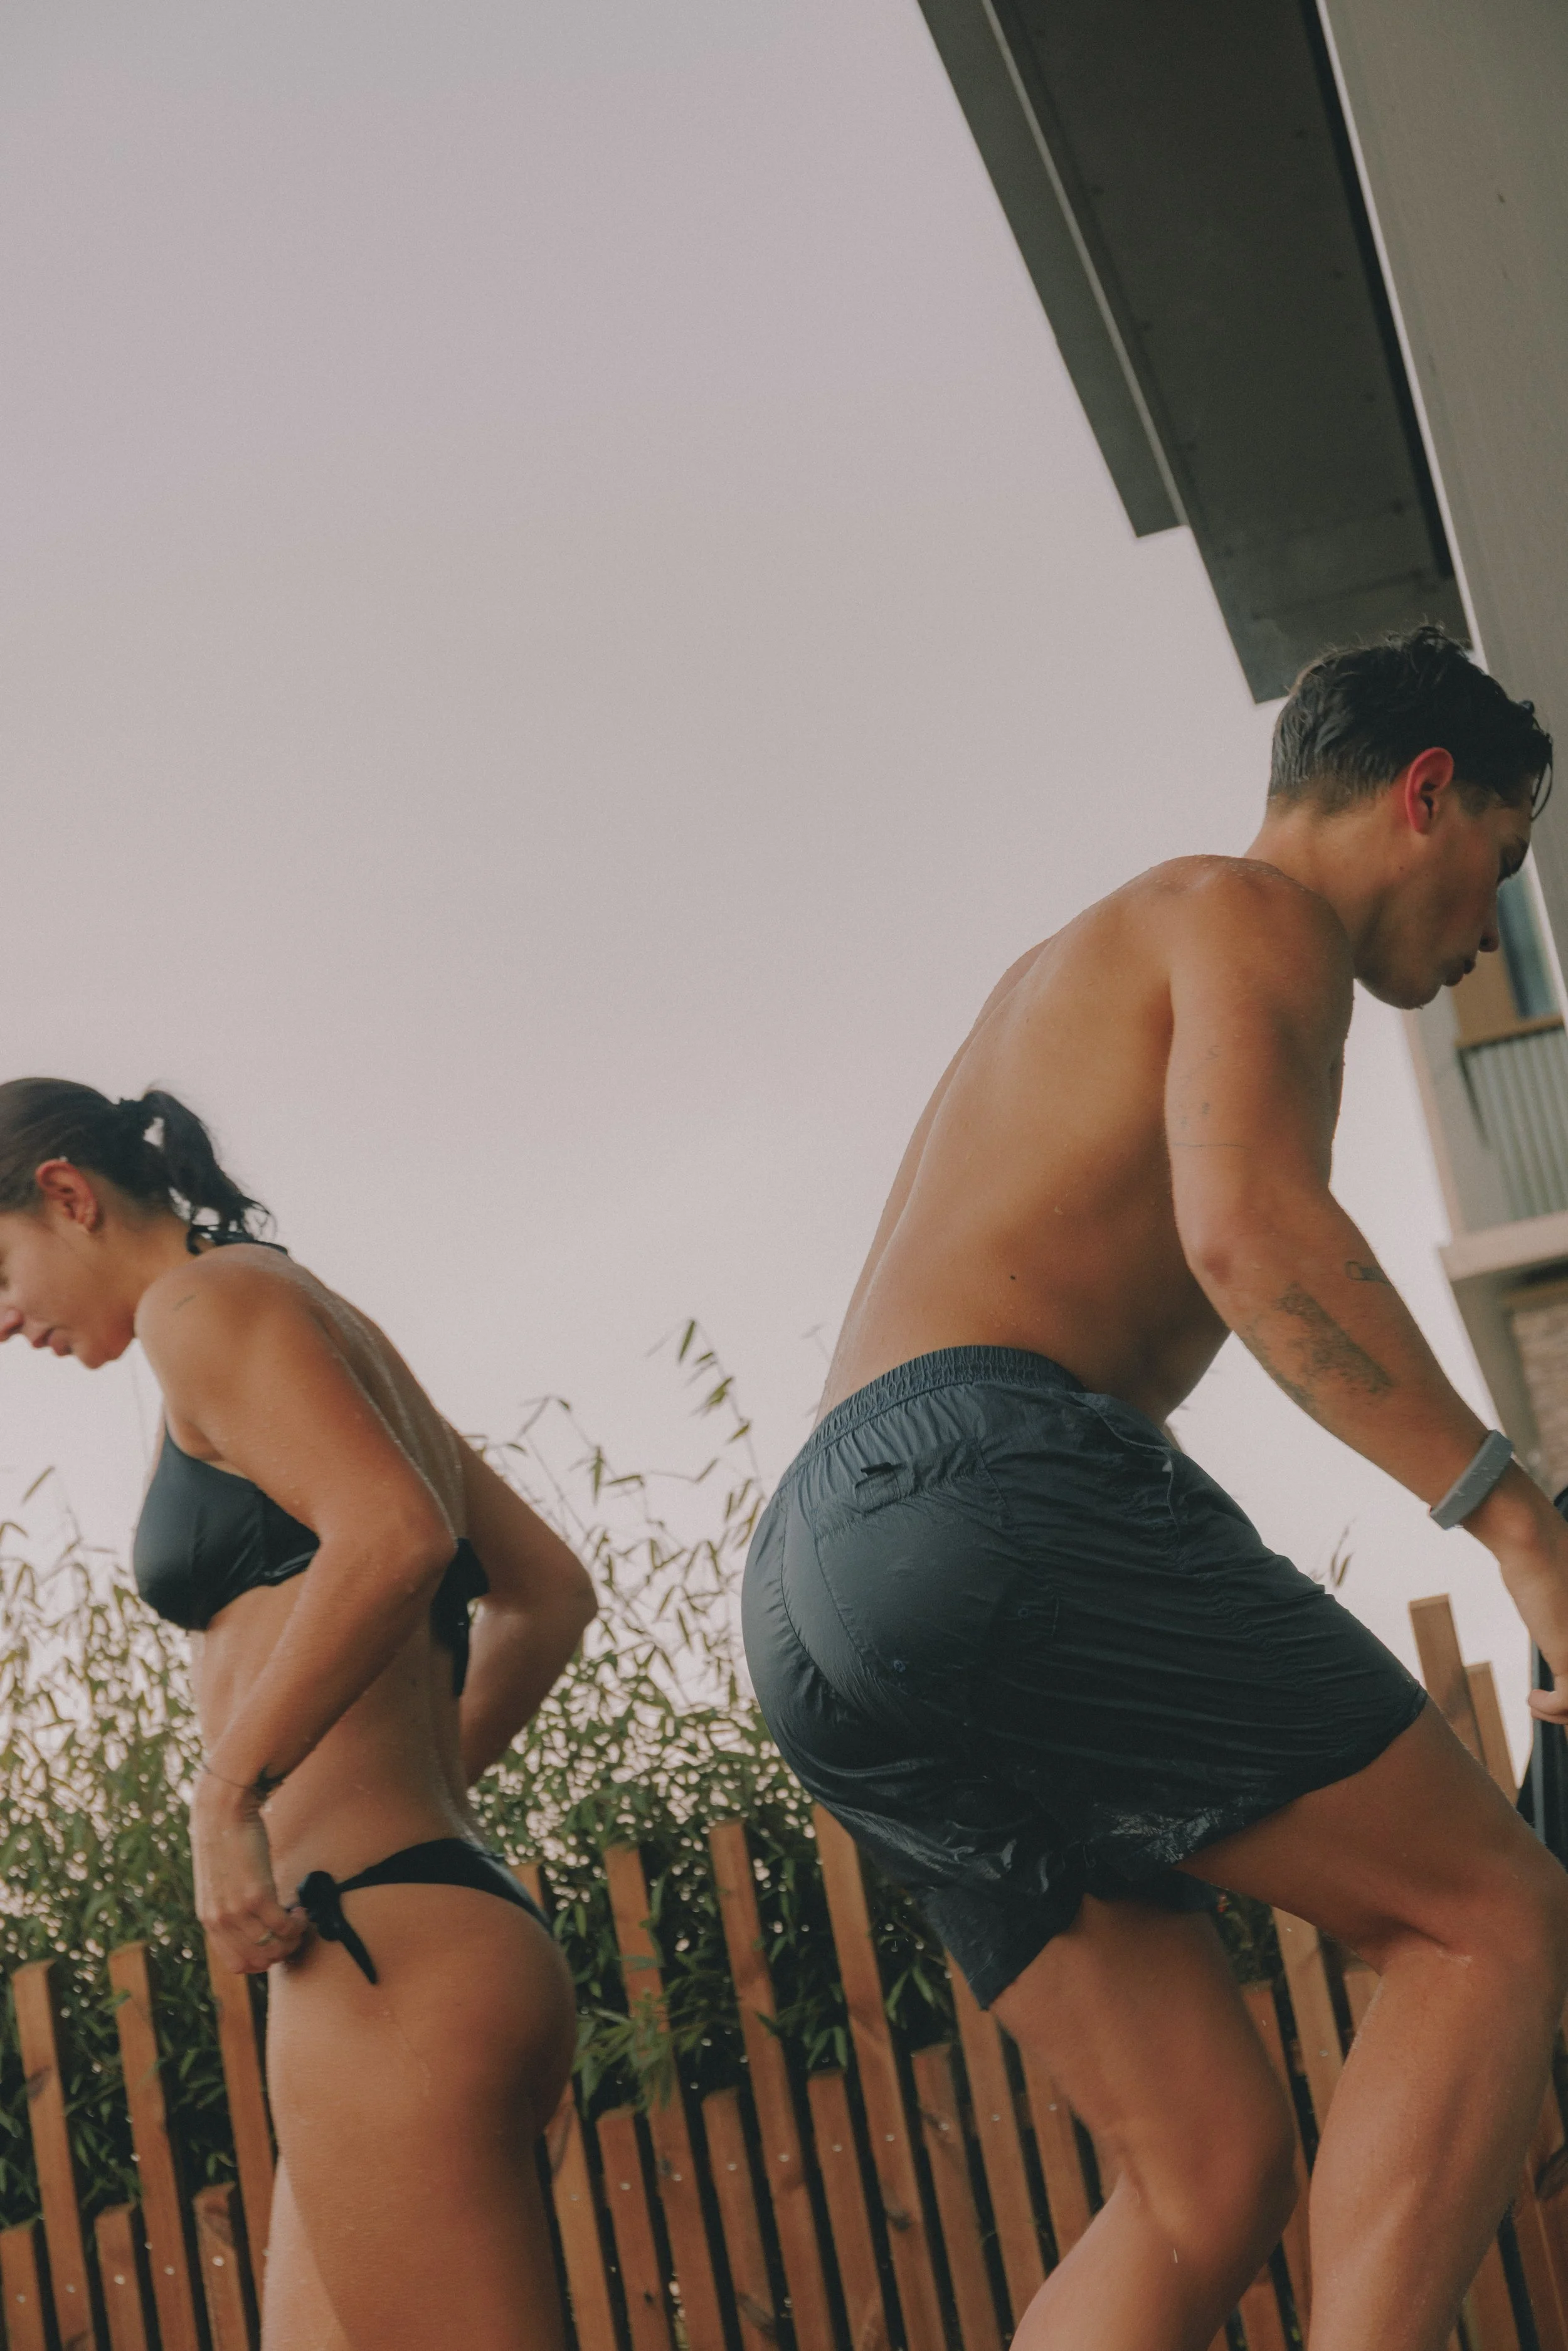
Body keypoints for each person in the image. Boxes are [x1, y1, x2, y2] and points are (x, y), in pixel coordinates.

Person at [743, 625, 1568, 2351]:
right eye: (1496, 864)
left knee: (1202, 2171)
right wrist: (1514, 1517)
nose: (1489, 923)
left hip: (824, 1572)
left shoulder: (1089, 957)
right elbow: (1250, 1235)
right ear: (1421, 794)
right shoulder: (1248, 911)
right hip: (984, 1477)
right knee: (1484, 1915)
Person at [0, 1080, 596, 2351]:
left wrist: (232, 1794)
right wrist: (420, 1800)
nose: (6, 1318)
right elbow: (543, 1594)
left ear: (66, 1193)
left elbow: (393, 1533)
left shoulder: (198, 1306)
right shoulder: (289, 1305)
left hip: (383, 1956)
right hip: (413, 1926)